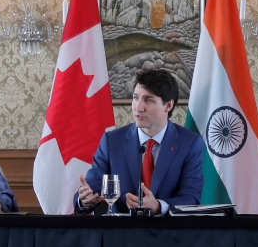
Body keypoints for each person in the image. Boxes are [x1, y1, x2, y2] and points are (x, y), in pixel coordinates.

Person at [75, 69, 204, 215]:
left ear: (168, 105)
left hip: (169, 233)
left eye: (149, 100)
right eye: (136, 98)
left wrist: (158, 206)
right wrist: (84, 200)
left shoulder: (190, 143)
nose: (138, 107)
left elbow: (191, 198)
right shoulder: (112, 141)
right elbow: (92, 189)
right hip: (121, 234)